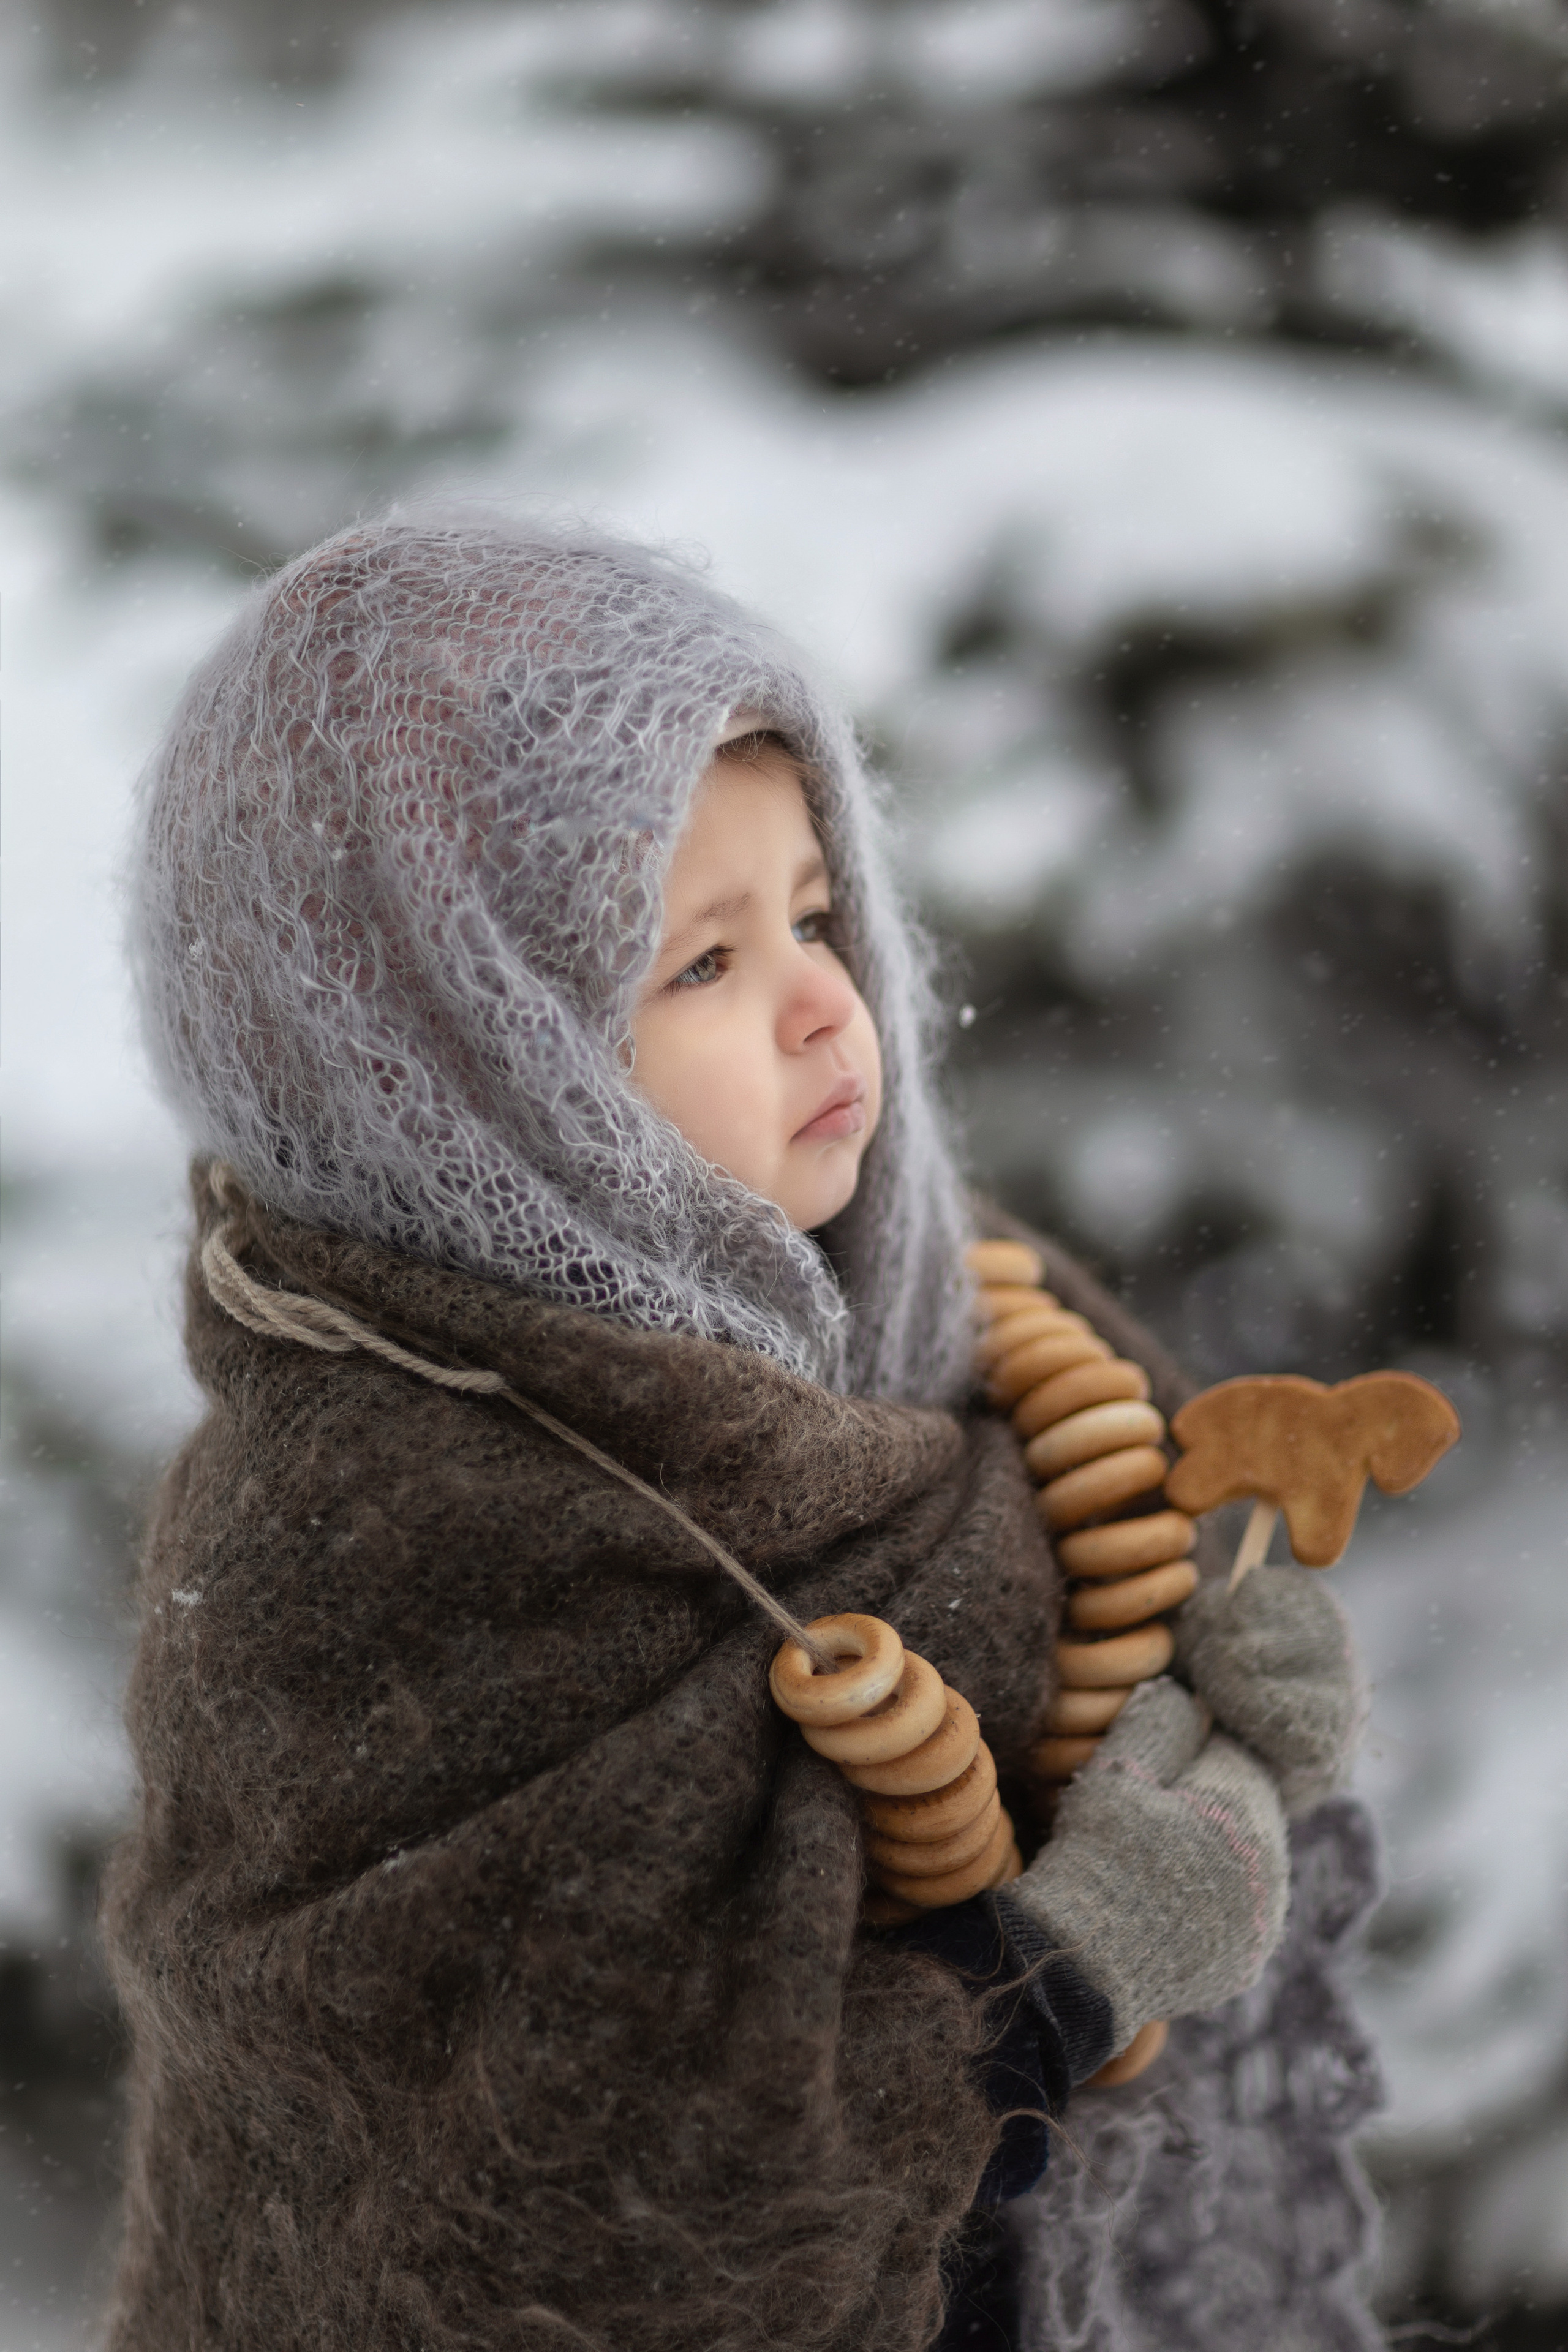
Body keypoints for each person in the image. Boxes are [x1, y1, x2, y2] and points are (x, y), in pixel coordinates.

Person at [103, 511, 1384, 2352]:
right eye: (696, 964)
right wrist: (1057, 1975)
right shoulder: (388, 1542)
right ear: (469, 1076)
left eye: (811, 911)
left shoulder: (968, 1338)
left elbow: (1156, 1696)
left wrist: (1232, 1719)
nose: (818, 1003)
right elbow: (559, 2223)